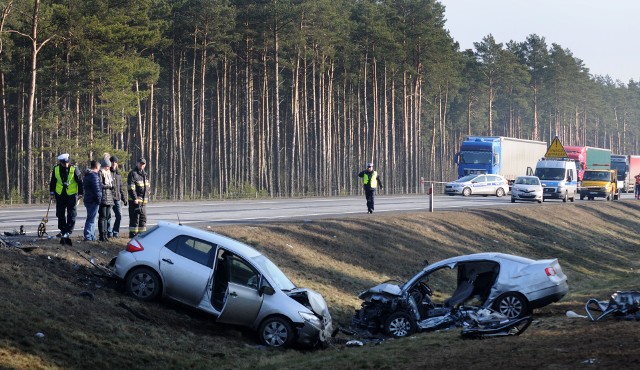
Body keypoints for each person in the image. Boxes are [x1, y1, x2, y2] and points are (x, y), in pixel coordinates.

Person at [49, 153, 83, 238]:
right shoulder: (56, 169)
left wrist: (80, 194)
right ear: (61, 162)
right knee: (60, 213)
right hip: (60, 194)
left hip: (71, 195)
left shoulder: (74, 169)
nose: (66, 164)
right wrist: (52, 192)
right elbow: (53, 181)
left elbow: (80, 181)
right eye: (64, 163)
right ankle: (62, 230)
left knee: (71, 214)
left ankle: (68, 231)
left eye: (67, 162)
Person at [127, 158, 150, 237]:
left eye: (143, 164)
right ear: (137, 163)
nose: (142, 165)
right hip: (135, 202)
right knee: (134, 220)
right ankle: (133, 236)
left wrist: (148, 193)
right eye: (140, 163)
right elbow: (131, 188)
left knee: (143, 219)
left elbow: (147, 187)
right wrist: (135, 199)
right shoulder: (133, 174)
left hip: (143, 203)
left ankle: (142, 236)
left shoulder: (145, 174)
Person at [107, 155, 127, 238]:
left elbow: (121, 187)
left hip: (117, 198)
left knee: (119, 216)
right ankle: (109, 233)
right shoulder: (108, 172)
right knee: (108, 217)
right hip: (109, 198)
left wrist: (124, 198)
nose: (114, 163)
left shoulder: (118, 174)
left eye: (115, 162)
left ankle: (115, 232)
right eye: (112, 162)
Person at [82, 160, 102, 241]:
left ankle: (92, 236)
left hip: (88, 199)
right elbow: (97, 190)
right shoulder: (94, 176)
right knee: (91, 219)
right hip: (93, 200)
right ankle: (88, 236)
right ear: (97, 167)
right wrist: (99, 200)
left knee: (92, 219)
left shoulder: (88, 175)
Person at [97, 156, 115, 241]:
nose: (108, 167)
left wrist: (112, 187)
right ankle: (102, 235)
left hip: (109, 197)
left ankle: (105, 235)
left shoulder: (109, 173)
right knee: (102, 217)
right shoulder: (100, 172)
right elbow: (100, 185)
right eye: (107, 166)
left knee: (107, 216)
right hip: (103, 197)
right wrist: (109, 186)